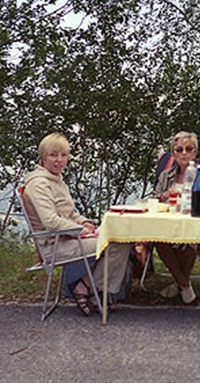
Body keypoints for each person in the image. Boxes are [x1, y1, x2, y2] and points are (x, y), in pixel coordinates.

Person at [23, 133, 132, 316]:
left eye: (63, 155)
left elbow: (70, 213)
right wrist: (82, 232)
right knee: (118, 244)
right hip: (54, 245)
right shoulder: (39, 184)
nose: (59, 160)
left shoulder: (55, 179)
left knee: (118, 240)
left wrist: (84, 222)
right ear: (43, 157)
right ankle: (93, 290)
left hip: (67, 239)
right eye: (53, 155)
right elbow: (50, 222)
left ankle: (84, 285)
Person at [153, 131, 200, 304]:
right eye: (179, 149)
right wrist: (165, 195)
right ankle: (184, 284)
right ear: (174, 153)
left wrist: (197, 200)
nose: (184, 152)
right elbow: (154, 199)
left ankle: (179, 284)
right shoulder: (165, 176)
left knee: (189, 242)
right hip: (169, 226)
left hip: (197, 228)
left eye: (188, 148)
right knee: (158, 240)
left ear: (194, 152)